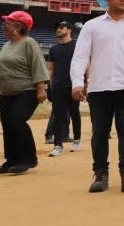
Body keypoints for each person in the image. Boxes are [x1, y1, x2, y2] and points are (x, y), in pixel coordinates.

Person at [70, 0, 124, 193]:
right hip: (99, 87)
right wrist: (78, 82)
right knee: (100, 132)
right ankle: (100, 174)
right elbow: (79, 57)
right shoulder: (92, 26)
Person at [0, 11, 49, 175]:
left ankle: (28, 159)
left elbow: (38, 65)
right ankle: (11, 160)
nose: (4, 25)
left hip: (27, 90)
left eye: (8, 23)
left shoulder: (28, 43)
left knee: (17, 121)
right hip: (6, 93)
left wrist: (41, 88)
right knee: (8, 125)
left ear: (18, 27)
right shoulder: (6, 46)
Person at [48, 21, 83, 157]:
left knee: (74, 113)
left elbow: (86, 64)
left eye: (61, 28)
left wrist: (86, 81)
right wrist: (48, 84)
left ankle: (77, 139)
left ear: (69, 30)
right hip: (58, 85)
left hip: (74, 85)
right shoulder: (54, 49)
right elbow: (51, 68)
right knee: (58, 115)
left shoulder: (77, 46)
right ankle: (58, 145)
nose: (58, 30)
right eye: (57, 28)